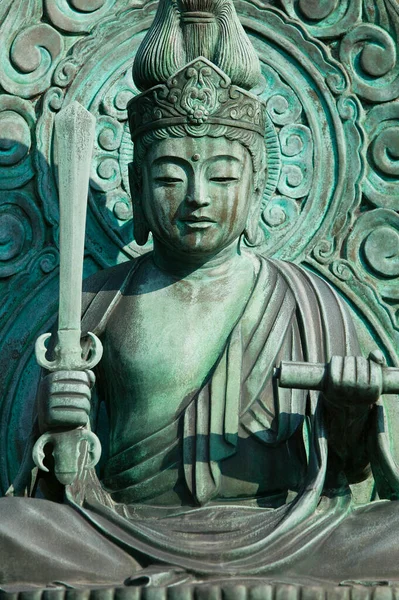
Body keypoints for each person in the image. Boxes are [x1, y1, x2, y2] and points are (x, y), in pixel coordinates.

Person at [1, 0, 399, 590]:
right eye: (169, 176)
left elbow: (345, 473)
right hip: (119, 532)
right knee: (10, 527)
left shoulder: (311, 303)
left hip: (283, 531)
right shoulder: (92, 304)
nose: (196, 198)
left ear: (260, 183)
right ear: (137, 187)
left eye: (222, 175)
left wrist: (347, 412)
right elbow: (55, 480)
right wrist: (60, 429)